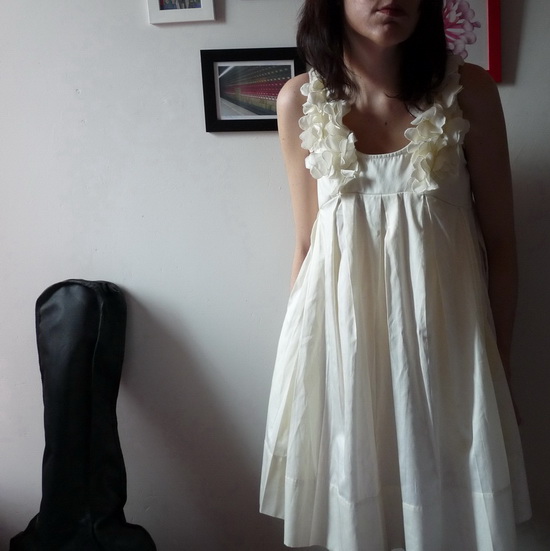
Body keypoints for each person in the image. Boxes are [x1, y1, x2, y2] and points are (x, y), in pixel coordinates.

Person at [259, 1, 531, 550]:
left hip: (446, 357)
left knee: (446, 519)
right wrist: (302, 371)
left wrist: (499, 363)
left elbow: (501, 245)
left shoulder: (469, 92)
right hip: (344, 353)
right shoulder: (299, 101)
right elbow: (308, 245)